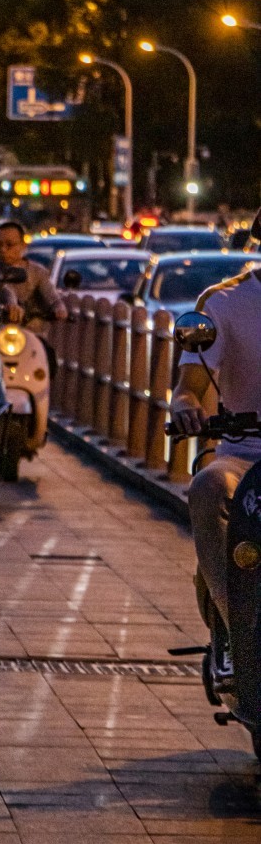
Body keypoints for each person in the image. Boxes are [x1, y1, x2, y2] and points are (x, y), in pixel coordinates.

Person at [169, 234, 261, 639]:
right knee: (208, 486)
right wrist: (185, 404)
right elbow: (189, 387)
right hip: (245, 454)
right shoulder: (223, 301)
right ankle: (235, 626)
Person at [0, 221, 68, 330]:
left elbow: (52, 297)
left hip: (31, 332)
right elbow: (5, 291)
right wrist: (10, 306)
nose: (3, 250)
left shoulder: (38, 272)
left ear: (23, 245)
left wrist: (59, 309)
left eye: (9, 245)